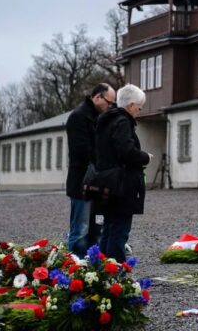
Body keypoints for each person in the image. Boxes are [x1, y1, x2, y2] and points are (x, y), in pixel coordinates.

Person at [95, 84, 152, 262]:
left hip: (107, 181)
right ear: (131, 105)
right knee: (119, 230)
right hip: (122, 184)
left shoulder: (106, 120)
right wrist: (145, 157)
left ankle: (102, 269)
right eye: (140, 107)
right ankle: (115, 270)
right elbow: (126, 152)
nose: (140, 111)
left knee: (109, 228)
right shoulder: (123, 122)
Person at [65, 83, 116, 257]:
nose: (110, 107)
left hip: (96, 180)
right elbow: (82, 150)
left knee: (95, 226)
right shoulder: (79, 117)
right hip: (82, 182)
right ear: (97, 97)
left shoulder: (98, 117)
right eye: (109, 102)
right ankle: (76, 264)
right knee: (80, 229)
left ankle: (92, 262)